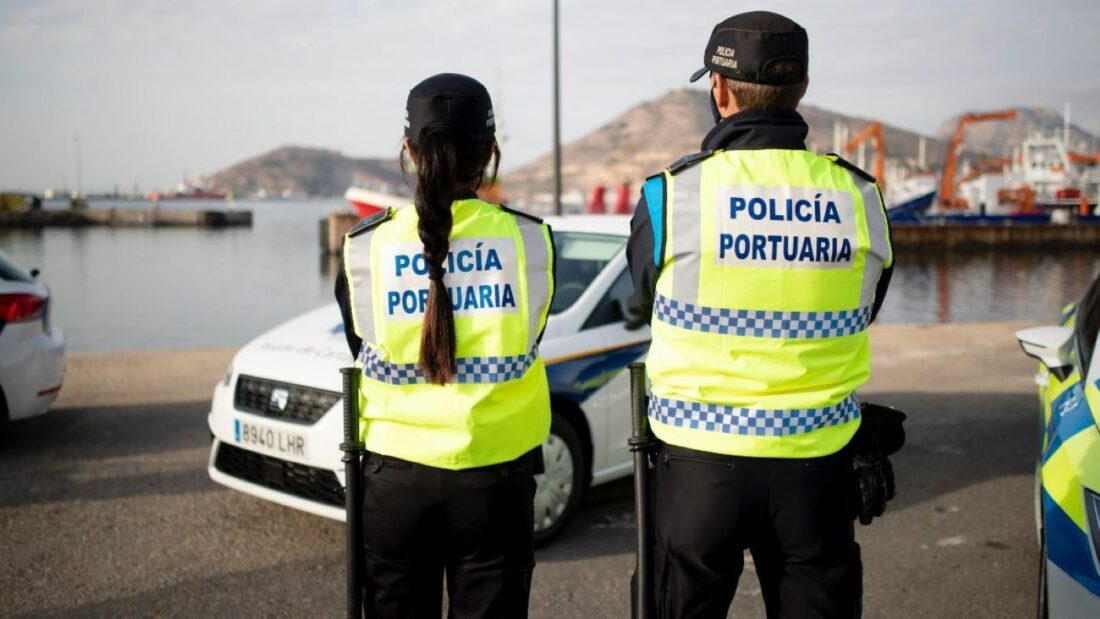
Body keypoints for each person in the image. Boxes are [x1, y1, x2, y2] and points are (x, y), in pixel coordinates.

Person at [626, 11, 894, 618]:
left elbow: (646, 299)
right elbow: (865, 305)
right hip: (815, 469)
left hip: (697, 468)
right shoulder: (859, 196)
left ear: (719, 91)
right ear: (801, 88)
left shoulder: (673, 194)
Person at [334, 73, 555, 618]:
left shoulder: (365, 247)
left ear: (409, 152)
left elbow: (360, 344)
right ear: (490, 151)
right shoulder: (531, 239)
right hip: (495, 477)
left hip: (394, 481)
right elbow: (534, 332)